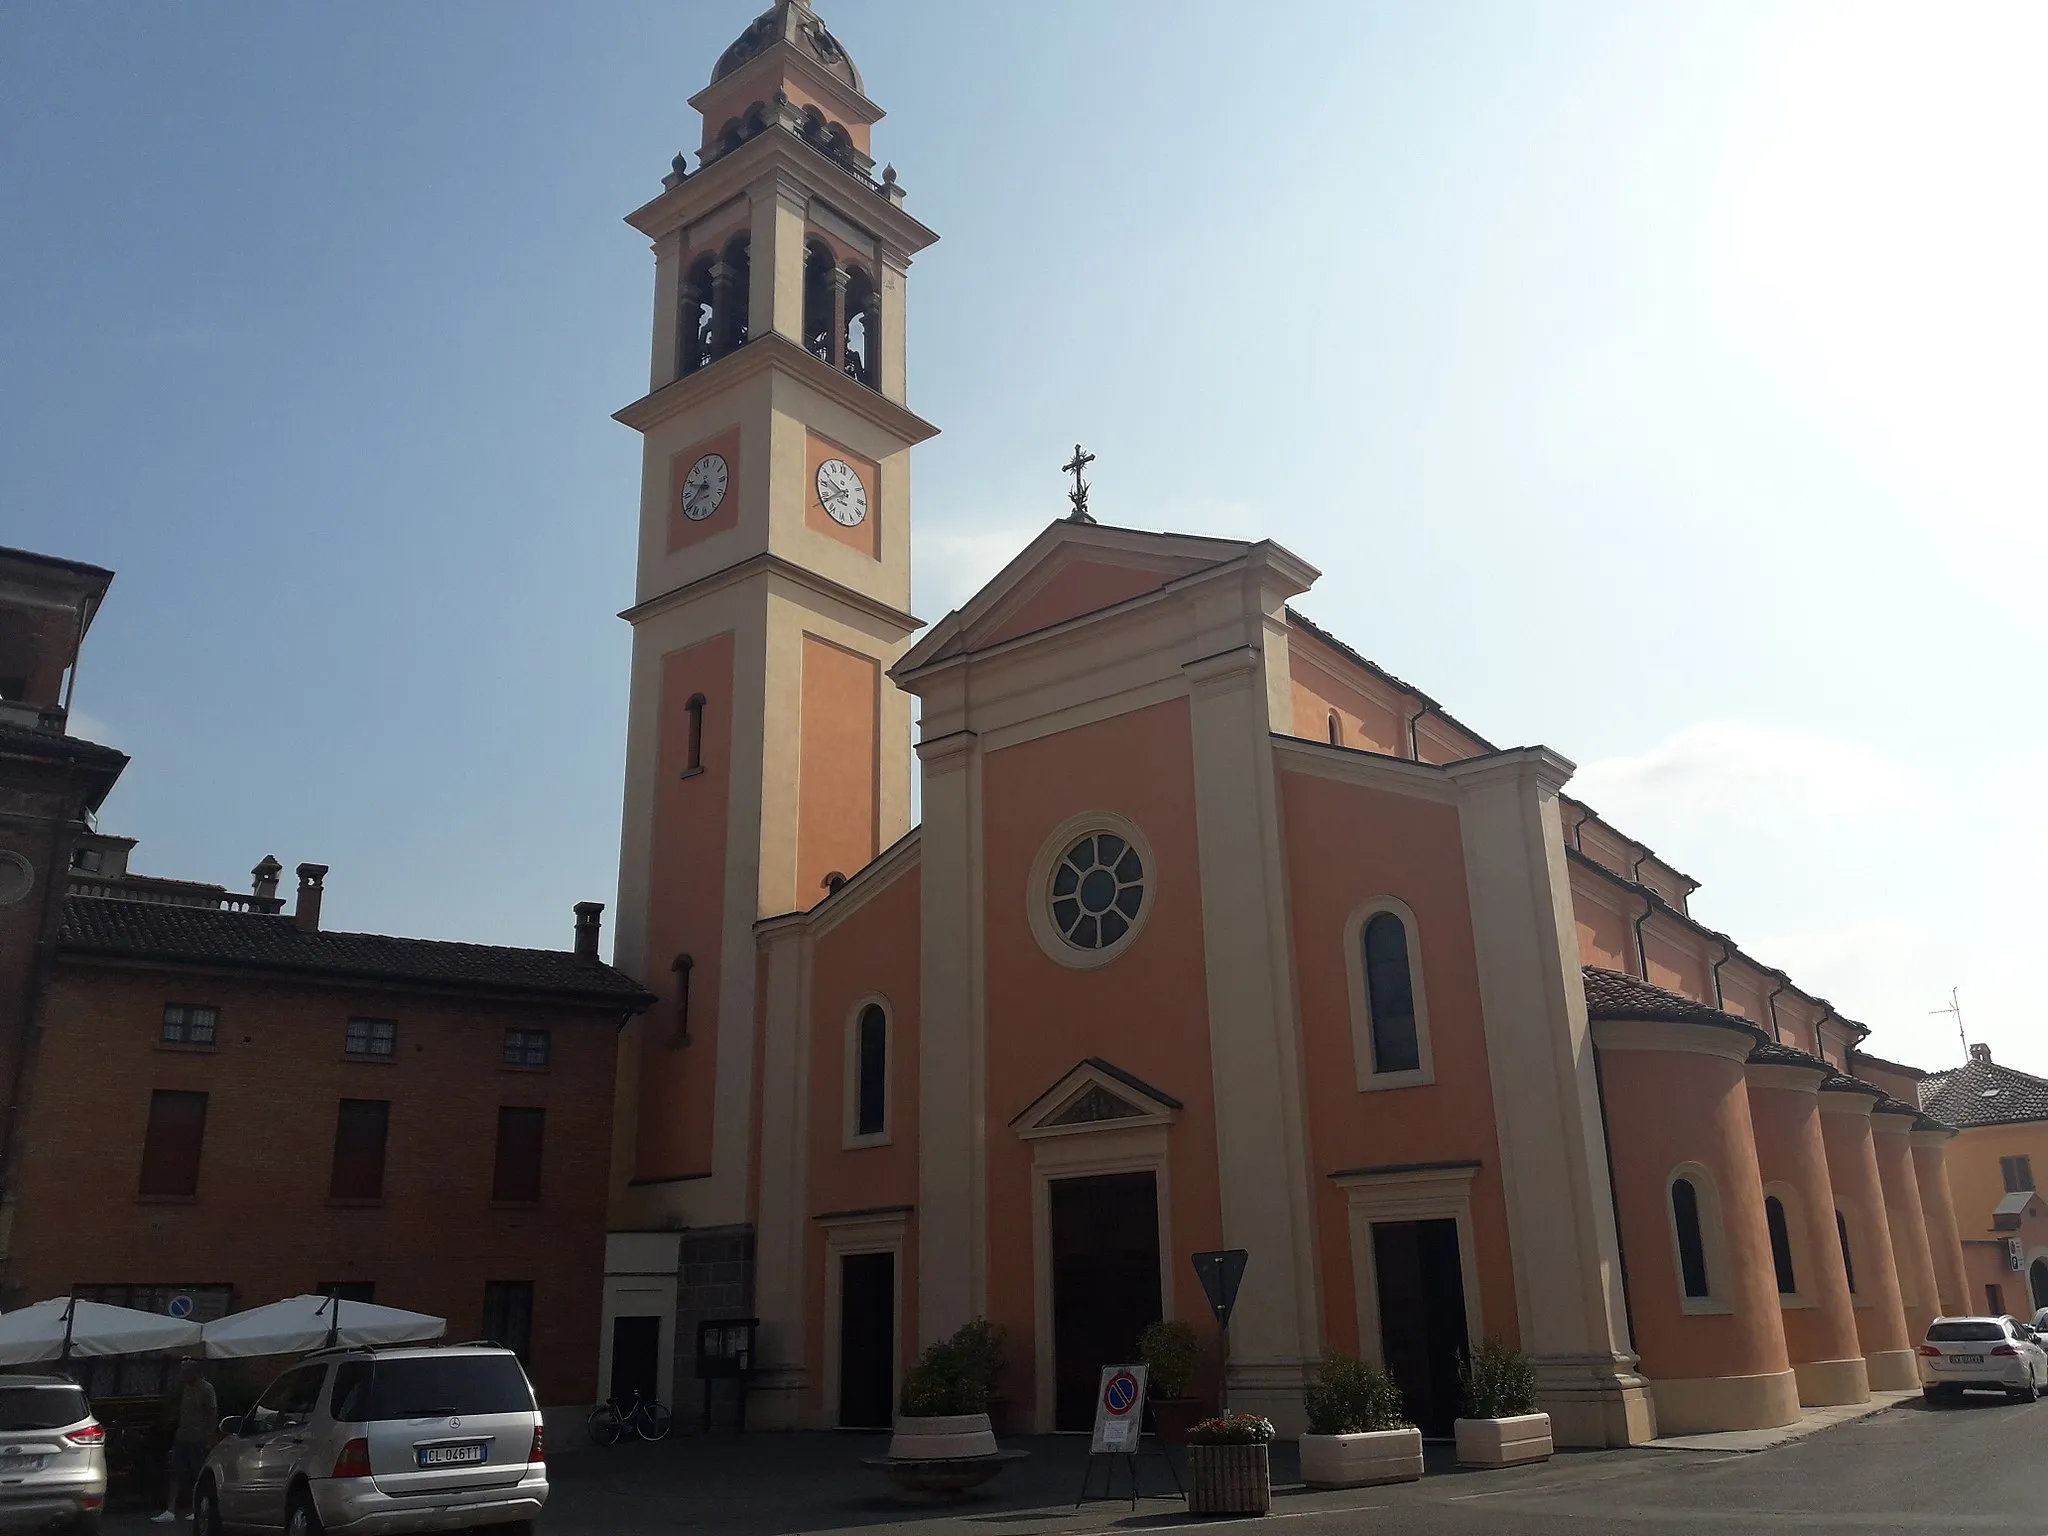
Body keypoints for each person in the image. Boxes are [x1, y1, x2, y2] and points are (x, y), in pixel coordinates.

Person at [154, 1359, 217, 1523]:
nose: (182, 1376)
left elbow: (212, 1413)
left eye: (185, 1372)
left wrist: (208, 1436)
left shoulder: (206, 1389)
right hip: (182, 1436)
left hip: (198, 1438)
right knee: (176, 1472)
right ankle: (171, 1509)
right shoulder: (186, 1389)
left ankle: (196, 1508)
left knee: (196, 1473)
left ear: (194, 1373)